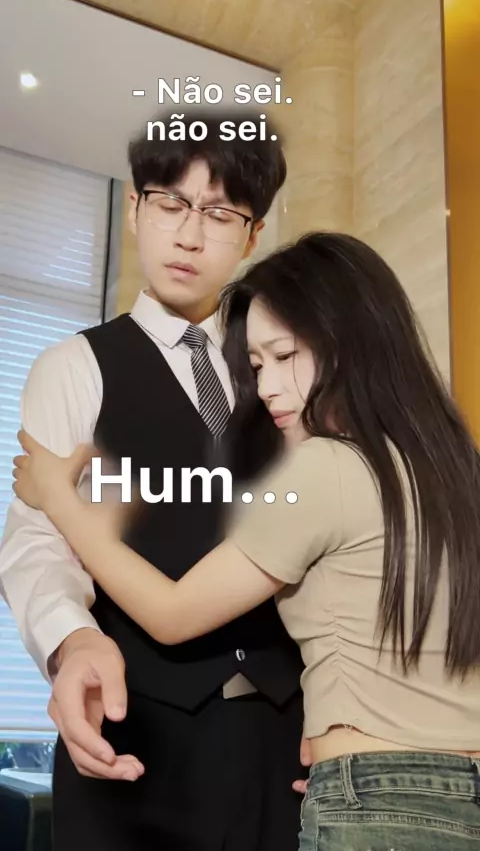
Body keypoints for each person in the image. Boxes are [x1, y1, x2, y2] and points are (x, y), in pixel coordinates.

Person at [11, 230, 480, 850]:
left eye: (284, 356)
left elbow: (172, 614)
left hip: (372, 794)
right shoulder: (454, 468)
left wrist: (59, 498)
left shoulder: (328, 467)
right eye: (256, 366)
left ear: (350, 340)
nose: (266, 388)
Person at [0, 109, 309, 851]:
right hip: (135, 737)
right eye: (171, 203)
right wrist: (73, 642)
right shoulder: (73, 366)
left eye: (221, 214)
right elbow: (37, 540)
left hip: (286, 744)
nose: (191, 236)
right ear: (135, 208)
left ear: (252, 235)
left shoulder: (285, 365)